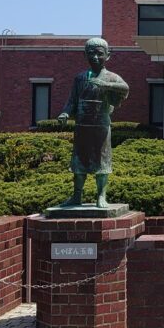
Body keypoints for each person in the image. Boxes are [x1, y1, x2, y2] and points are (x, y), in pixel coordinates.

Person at [57, 37, 130, 208]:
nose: (95, 58)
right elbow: (72, 101)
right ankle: (76, 196)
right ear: (85, 56)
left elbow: (125, 88)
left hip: (101, 126)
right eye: (91, 54)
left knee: (102, 162)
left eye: (99, 54)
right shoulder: (80, 78)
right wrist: (65, 113)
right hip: (82, 126)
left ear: (107, 56)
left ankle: (101, 196)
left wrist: (105, 85)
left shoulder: (111, 77)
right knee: (78, 164)